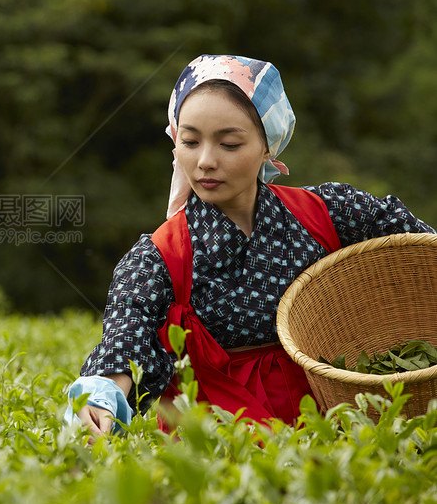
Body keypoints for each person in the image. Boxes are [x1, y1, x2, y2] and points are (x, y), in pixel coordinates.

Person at [65, 54, 435, 441]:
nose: (206, 161)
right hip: (219, 444)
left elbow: (421, 252)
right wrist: (102, 397)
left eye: (229, 143)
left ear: (267, 147)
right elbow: (127, 333)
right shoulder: (158, 258)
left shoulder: (329, 212)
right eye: (190, 141)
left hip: (334, 427)